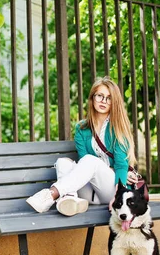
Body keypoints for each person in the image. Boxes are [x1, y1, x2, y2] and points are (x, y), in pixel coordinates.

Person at [26, 76, 138, 216]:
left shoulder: (117, 127)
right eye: (100, 96)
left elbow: (121, 165)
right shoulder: (81, 128)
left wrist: (119, 197)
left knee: (91, 160)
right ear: (92, 98)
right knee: (62, 162)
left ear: (114, 102)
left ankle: (51, 194)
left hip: (114, 191)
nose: (103, 101)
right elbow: (84, 162)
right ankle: (69, 201)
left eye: (109, 98)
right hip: (89, 193)